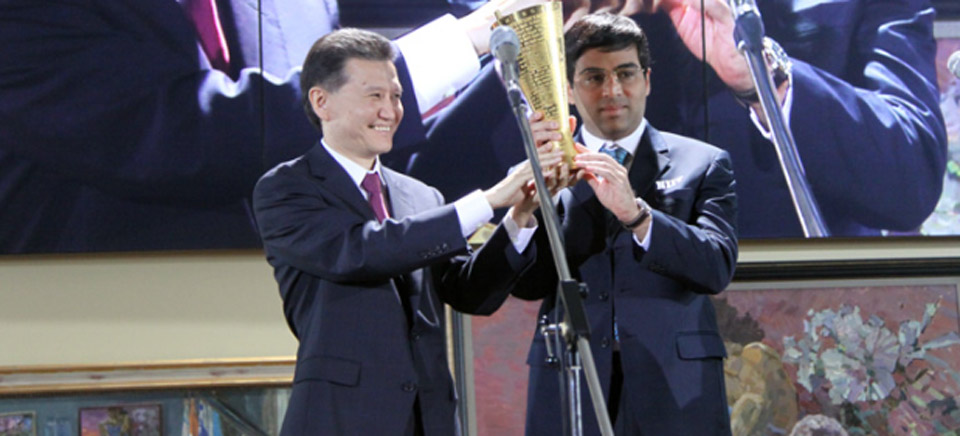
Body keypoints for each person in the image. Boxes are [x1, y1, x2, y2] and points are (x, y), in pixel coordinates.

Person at [0, 0, 538, 253]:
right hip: (119, 368)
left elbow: (367, 162)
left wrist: (534, 54)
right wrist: (465, 40)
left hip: (322, 358)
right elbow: (190, 137)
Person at [412, 0, 948, 238]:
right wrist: (542, 51)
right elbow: (427, 199)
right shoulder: (543, 16)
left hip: (787, 349)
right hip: (589, 353)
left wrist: (761, 76)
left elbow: (910, 183)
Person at [252, 28, 560, 435]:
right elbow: (361, 251)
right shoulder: (286, 188)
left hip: (428, 418)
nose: (391, 110)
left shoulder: (422, 195)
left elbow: (468, 292)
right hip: (341, 419)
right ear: (321, 101)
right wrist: (486, 200)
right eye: (374, 96)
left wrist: (519, 214)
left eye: (396, 96)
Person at [511, 13, 737, 434]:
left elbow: (715, 266)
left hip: (676, 385)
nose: (612, 90)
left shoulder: (703, 162)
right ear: (570, 91)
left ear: (647, 80)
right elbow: (528, 284)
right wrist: (526, 209)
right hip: (571, 378)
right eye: (594, 77)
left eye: (625, 74)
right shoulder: (545, 171)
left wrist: (637, 216)